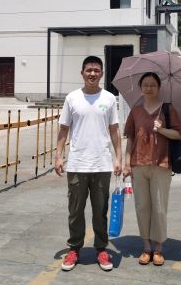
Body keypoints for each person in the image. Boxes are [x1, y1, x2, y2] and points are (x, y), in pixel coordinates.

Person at [55, 55, 122, 272]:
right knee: (75, 210)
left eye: (96, 70)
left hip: (102, 164)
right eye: (88, 70)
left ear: (102, 73)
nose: (92, 73)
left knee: (100, 210)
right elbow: (63, 129)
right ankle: (74, 248)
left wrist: (118, 158)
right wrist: (58, 156)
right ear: (82, 73)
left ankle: (101, 248)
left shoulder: (109, 98)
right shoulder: (72, 98)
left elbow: (114, 130)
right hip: (77, 164)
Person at [122, 71, 181, 267]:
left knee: (159, 208)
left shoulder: (168, 109)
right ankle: (146, 247)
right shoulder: (135, 111)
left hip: (161, 165)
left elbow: (179, 134)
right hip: (139, 165)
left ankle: (158, 248)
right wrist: (126, 163)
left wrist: (162, 129)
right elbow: (130, 138)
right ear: (141, 88)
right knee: (142, 207)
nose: (149, 88)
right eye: (145, 85)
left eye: (152, 85)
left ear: (159, 88)